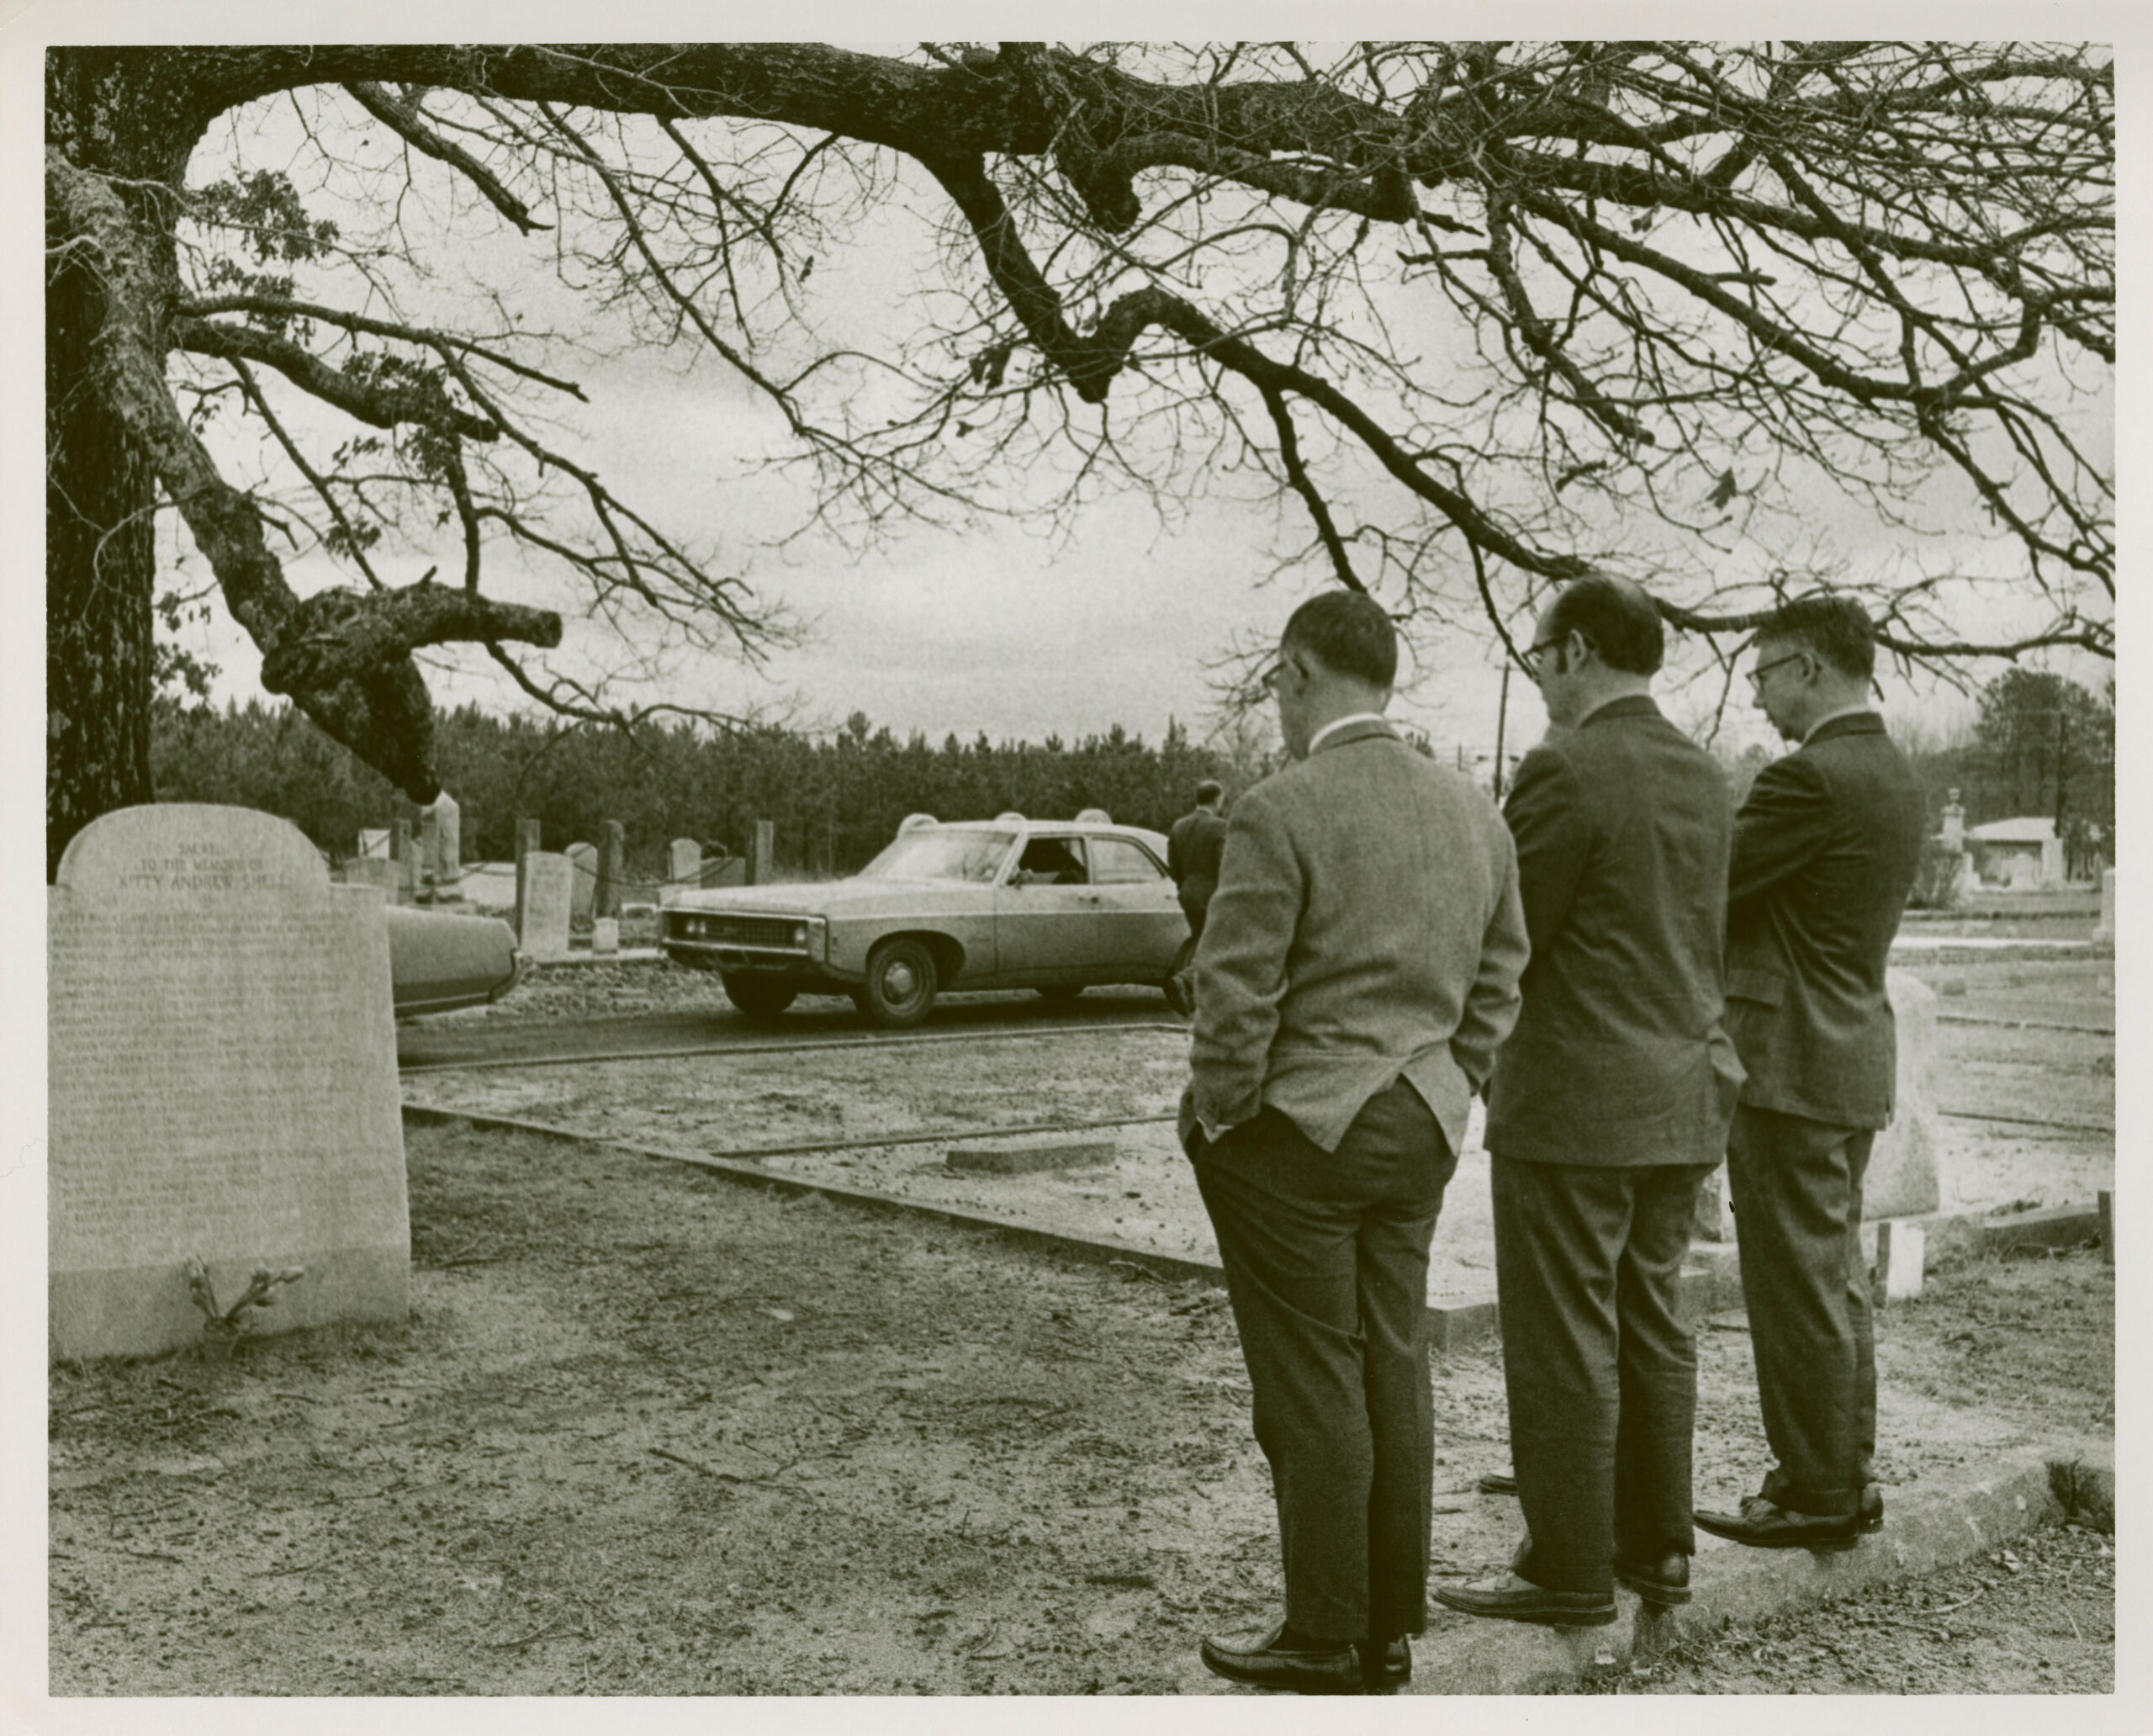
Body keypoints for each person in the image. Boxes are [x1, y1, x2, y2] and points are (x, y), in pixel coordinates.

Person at [1182, 590, 1528, 1693]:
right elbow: (1504, 972)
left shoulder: (1281, 811)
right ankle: (1386, 1630)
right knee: (1394, 1366)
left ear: (1295, 675)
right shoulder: (1477, 812)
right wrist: (1454, 1076)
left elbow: (1233, 998)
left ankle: (1326, 1635)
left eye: (1277, 689)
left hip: (1299, 1138)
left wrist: (1222, 1113)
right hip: (1420, 1130)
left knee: (1311, 1383)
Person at [1436, 575, 1741, 1630]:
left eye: (1536, 655)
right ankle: (1658, 1550)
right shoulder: (1705, 773)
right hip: (1683, 1096)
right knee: (1652, 1321)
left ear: (1574, 652)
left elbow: (1510, 932)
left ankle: (1564, 1569)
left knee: (1565, 1330)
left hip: (1576, 1103)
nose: (1536, 675)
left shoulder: (1563, 768)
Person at [1695, 595, 1925, 1550]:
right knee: (1833, 1281)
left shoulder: (1807, 781)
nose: (1757, 700)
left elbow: (1708, 886)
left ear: (1808, 669)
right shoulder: (1894, 775)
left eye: (1761, 676)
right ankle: (1838, 1474)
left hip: (1789, 1062)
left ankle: (1813, 1491)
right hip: (1851, 1053)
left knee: (1795, 1285)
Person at [1167, 780, 1230, 943]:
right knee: (1216, 945)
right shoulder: (1220, 826)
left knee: (1198, 941)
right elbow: (1224, 863)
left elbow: (1173, 866)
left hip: (1188, 896)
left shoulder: (1178, 826)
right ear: (1217, 800)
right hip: (1213, 897)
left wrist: (1185, 884)